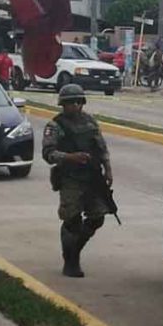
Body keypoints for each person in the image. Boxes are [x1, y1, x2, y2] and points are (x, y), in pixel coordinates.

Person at [42, 84, 114, 278]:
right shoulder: (55, 126)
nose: (75, 106)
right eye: (70, 103)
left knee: (97, 217)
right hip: (70, 179)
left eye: (78, 102)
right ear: (63, 104)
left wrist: (108, 169)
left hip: (92, 177)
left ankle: (75, 249)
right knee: (72, 220)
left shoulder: (90, 122)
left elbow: (101, 148)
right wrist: (70, 157)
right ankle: (70, 260)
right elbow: (48, 154)